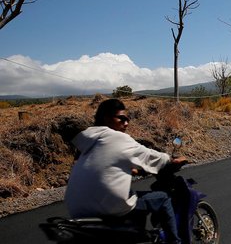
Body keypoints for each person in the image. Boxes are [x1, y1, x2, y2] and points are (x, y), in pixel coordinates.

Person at [64, 98, 186, 243]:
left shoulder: (88, 141)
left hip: (76, 209)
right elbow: (151, 157)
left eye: (127, 119)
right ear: (106, 118)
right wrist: (172, 160)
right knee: (163, 198)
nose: (126, 123)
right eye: (121, 118)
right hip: (109, 206)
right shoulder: (118, 138)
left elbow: (104, 165)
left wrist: (132, 171)